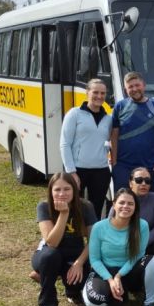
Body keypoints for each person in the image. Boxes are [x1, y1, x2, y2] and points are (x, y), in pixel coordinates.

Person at [82, 188, 154, 306]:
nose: (126, 206)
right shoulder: (99, 227)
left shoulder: (141, 225)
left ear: (135, 207)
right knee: (93, 302)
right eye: (122, 202)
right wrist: (110, 280)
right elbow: (94, 259)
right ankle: (116, 298)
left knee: (152, 261)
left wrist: (119, 276)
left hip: (129, 269)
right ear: (114, 204)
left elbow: (138, 254)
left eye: (130, 204)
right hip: (106, 270)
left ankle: (149, 304)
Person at [32, 173, 97, 306]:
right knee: (51, 256)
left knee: (80, 281)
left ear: (74, 190)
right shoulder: (44, 206)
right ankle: (47, 305)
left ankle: (66, 286)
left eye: (67, 189)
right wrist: (64, 214)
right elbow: (52, 242)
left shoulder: (85, 206)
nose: (62, 194)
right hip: (48, 254)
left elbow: (93, 240)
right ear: (51, 191)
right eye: (57, 189)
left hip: (74, 255)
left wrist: (79, 263)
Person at [59, 78, 112, 218]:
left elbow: (109, 142)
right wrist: (71, 172)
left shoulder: (108, 118)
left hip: (101, 171)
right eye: (95, 92)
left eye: (103, 93)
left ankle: (92, 237)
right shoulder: (74, 114)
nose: (99, 96)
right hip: (77, 170)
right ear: (87, 93)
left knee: (96, 208)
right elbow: (65, 143)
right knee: (73, 207)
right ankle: (73, 236)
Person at [110, 71, 154, 192]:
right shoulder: (120, 106)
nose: (134, 89)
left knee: (150, 202)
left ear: (144, 85)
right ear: (126, 89)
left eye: (137, 85)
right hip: (123, 166)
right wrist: (114, 162)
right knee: (123, 204)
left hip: (151, 165)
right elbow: (114, 135)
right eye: (130, 87)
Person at [128, 167, 154, 265]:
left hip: (148, 241)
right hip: (126, 242)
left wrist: (140, 244)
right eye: (139, 180)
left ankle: (153, 275)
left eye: (147, 181)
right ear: (130, 183)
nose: (143, 184)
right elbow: (110, 225)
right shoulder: (122, 199)